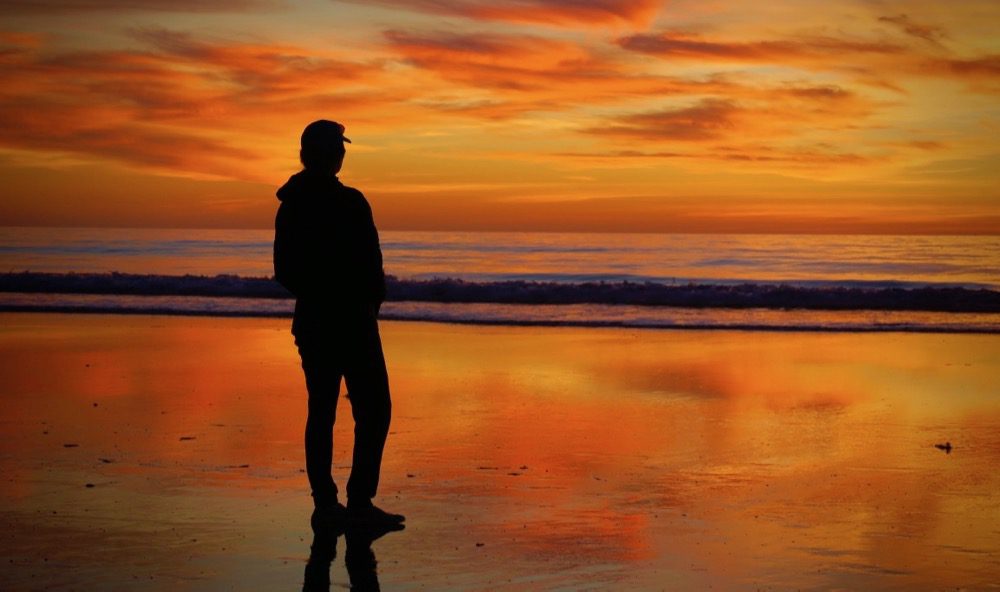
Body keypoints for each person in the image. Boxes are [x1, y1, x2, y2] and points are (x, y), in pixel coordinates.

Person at [273, 119, 404, 527]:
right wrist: (360, 301)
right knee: (370, 410)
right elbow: (371, 264)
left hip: (323, 322)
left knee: (329, 411)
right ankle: (347, 504)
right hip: (346, 323)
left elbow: (287, 270)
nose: (343, 154)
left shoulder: (295, 203)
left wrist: (358, 299)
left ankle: (332, 505)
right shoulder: (345, 202)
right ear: (330, 154)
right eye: (339, 149)